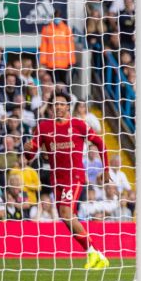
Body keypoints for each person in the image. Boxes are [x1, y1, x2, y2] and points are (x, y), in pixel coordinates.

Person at [24, 90, 110, 269]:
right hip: (57, 179)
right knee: (67, 218)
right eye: (56, 104)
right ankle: (95, 254)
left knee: (65, 213)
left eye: (62, 104)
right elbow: (30, 155)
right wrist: (27, 149)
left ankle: (95, 252)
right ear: (51, 108)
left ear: (68, 107)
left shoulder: (78, 125)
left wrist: (106, 168)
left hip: (75, 176)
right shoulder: (44, 128)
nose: (59, 107)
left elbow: (100, 143)